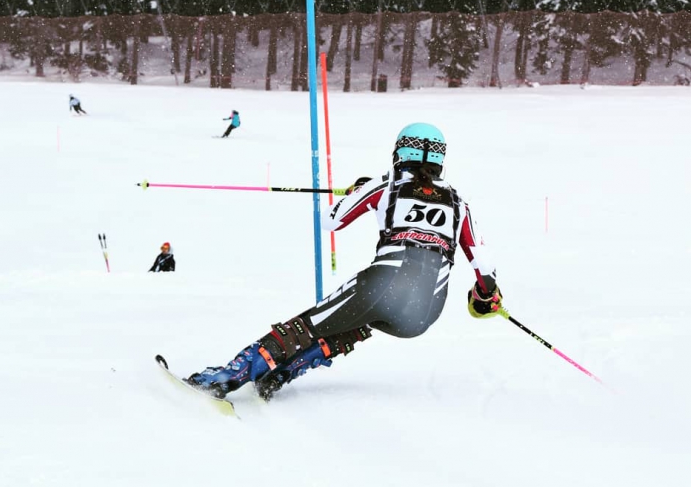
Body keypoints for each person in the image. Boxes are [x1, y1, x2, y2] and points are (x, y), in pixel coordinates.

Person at [185, 123, 503, 400]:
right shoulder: (459, 203)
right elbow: (485, 268)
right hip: (425, 312)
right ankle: (283, 372)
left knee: (307, 325)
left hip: (385, 283)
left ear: (400, 153)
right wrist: (485, 296)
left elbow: (331, 220)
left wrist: (357, 192)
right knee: (357, 322)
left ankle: (229, 376)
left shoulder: (386, 185)